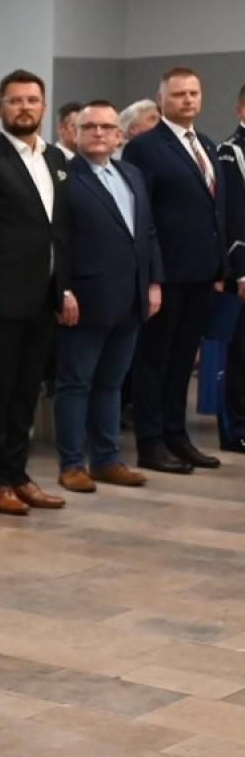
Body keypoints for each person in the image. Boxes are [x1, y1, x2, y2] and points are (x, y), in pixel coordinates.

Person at [123, 68, 242, 474]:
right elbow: (143, 216)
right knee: (155, 360)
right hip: (167, 273)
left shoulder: (206, 144)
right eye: (178, 94)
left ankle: (177, 436)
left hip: (202, 273)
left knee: (182, 362)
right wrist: (151, 275)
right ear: (162, 99)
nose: (188, 100)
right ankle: (151, 443)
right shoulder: (145, 148)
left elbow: (218, 211)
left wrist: (221, 267)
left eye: (193, 93)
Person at [53, 101, 161, 492]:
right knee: (75, 383)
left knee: (111, 384)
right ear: (75, 134)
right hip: (85, 298)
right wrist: (62, 289)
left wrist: (153, 283)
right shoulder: (65, 179)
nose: (99, 133)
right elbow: (59, 241)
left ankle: (107, 458)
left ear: (119, 136)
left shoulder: (132, 174)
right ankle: (71, 464)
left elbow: (147, 233)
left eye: (107, 128)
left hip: (131, 297)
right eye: (90, 127)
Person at [0, 69, 71, 515]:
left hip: (44, 296)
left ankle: (19, 474)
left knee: (26, 392)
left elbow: (61, 231)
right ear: (0, 109)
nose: (24, 107)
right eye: (14, 101)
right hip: (3, 298)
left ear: (42, 105)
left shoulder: (56, 159)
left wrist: (66, 289)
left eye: (32, 100)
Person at [219, 86, 245, 452]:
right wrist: (239, 270)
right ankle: (236, 427)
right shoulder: (232, 151)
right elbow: (234, 215)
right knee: (241, 355)